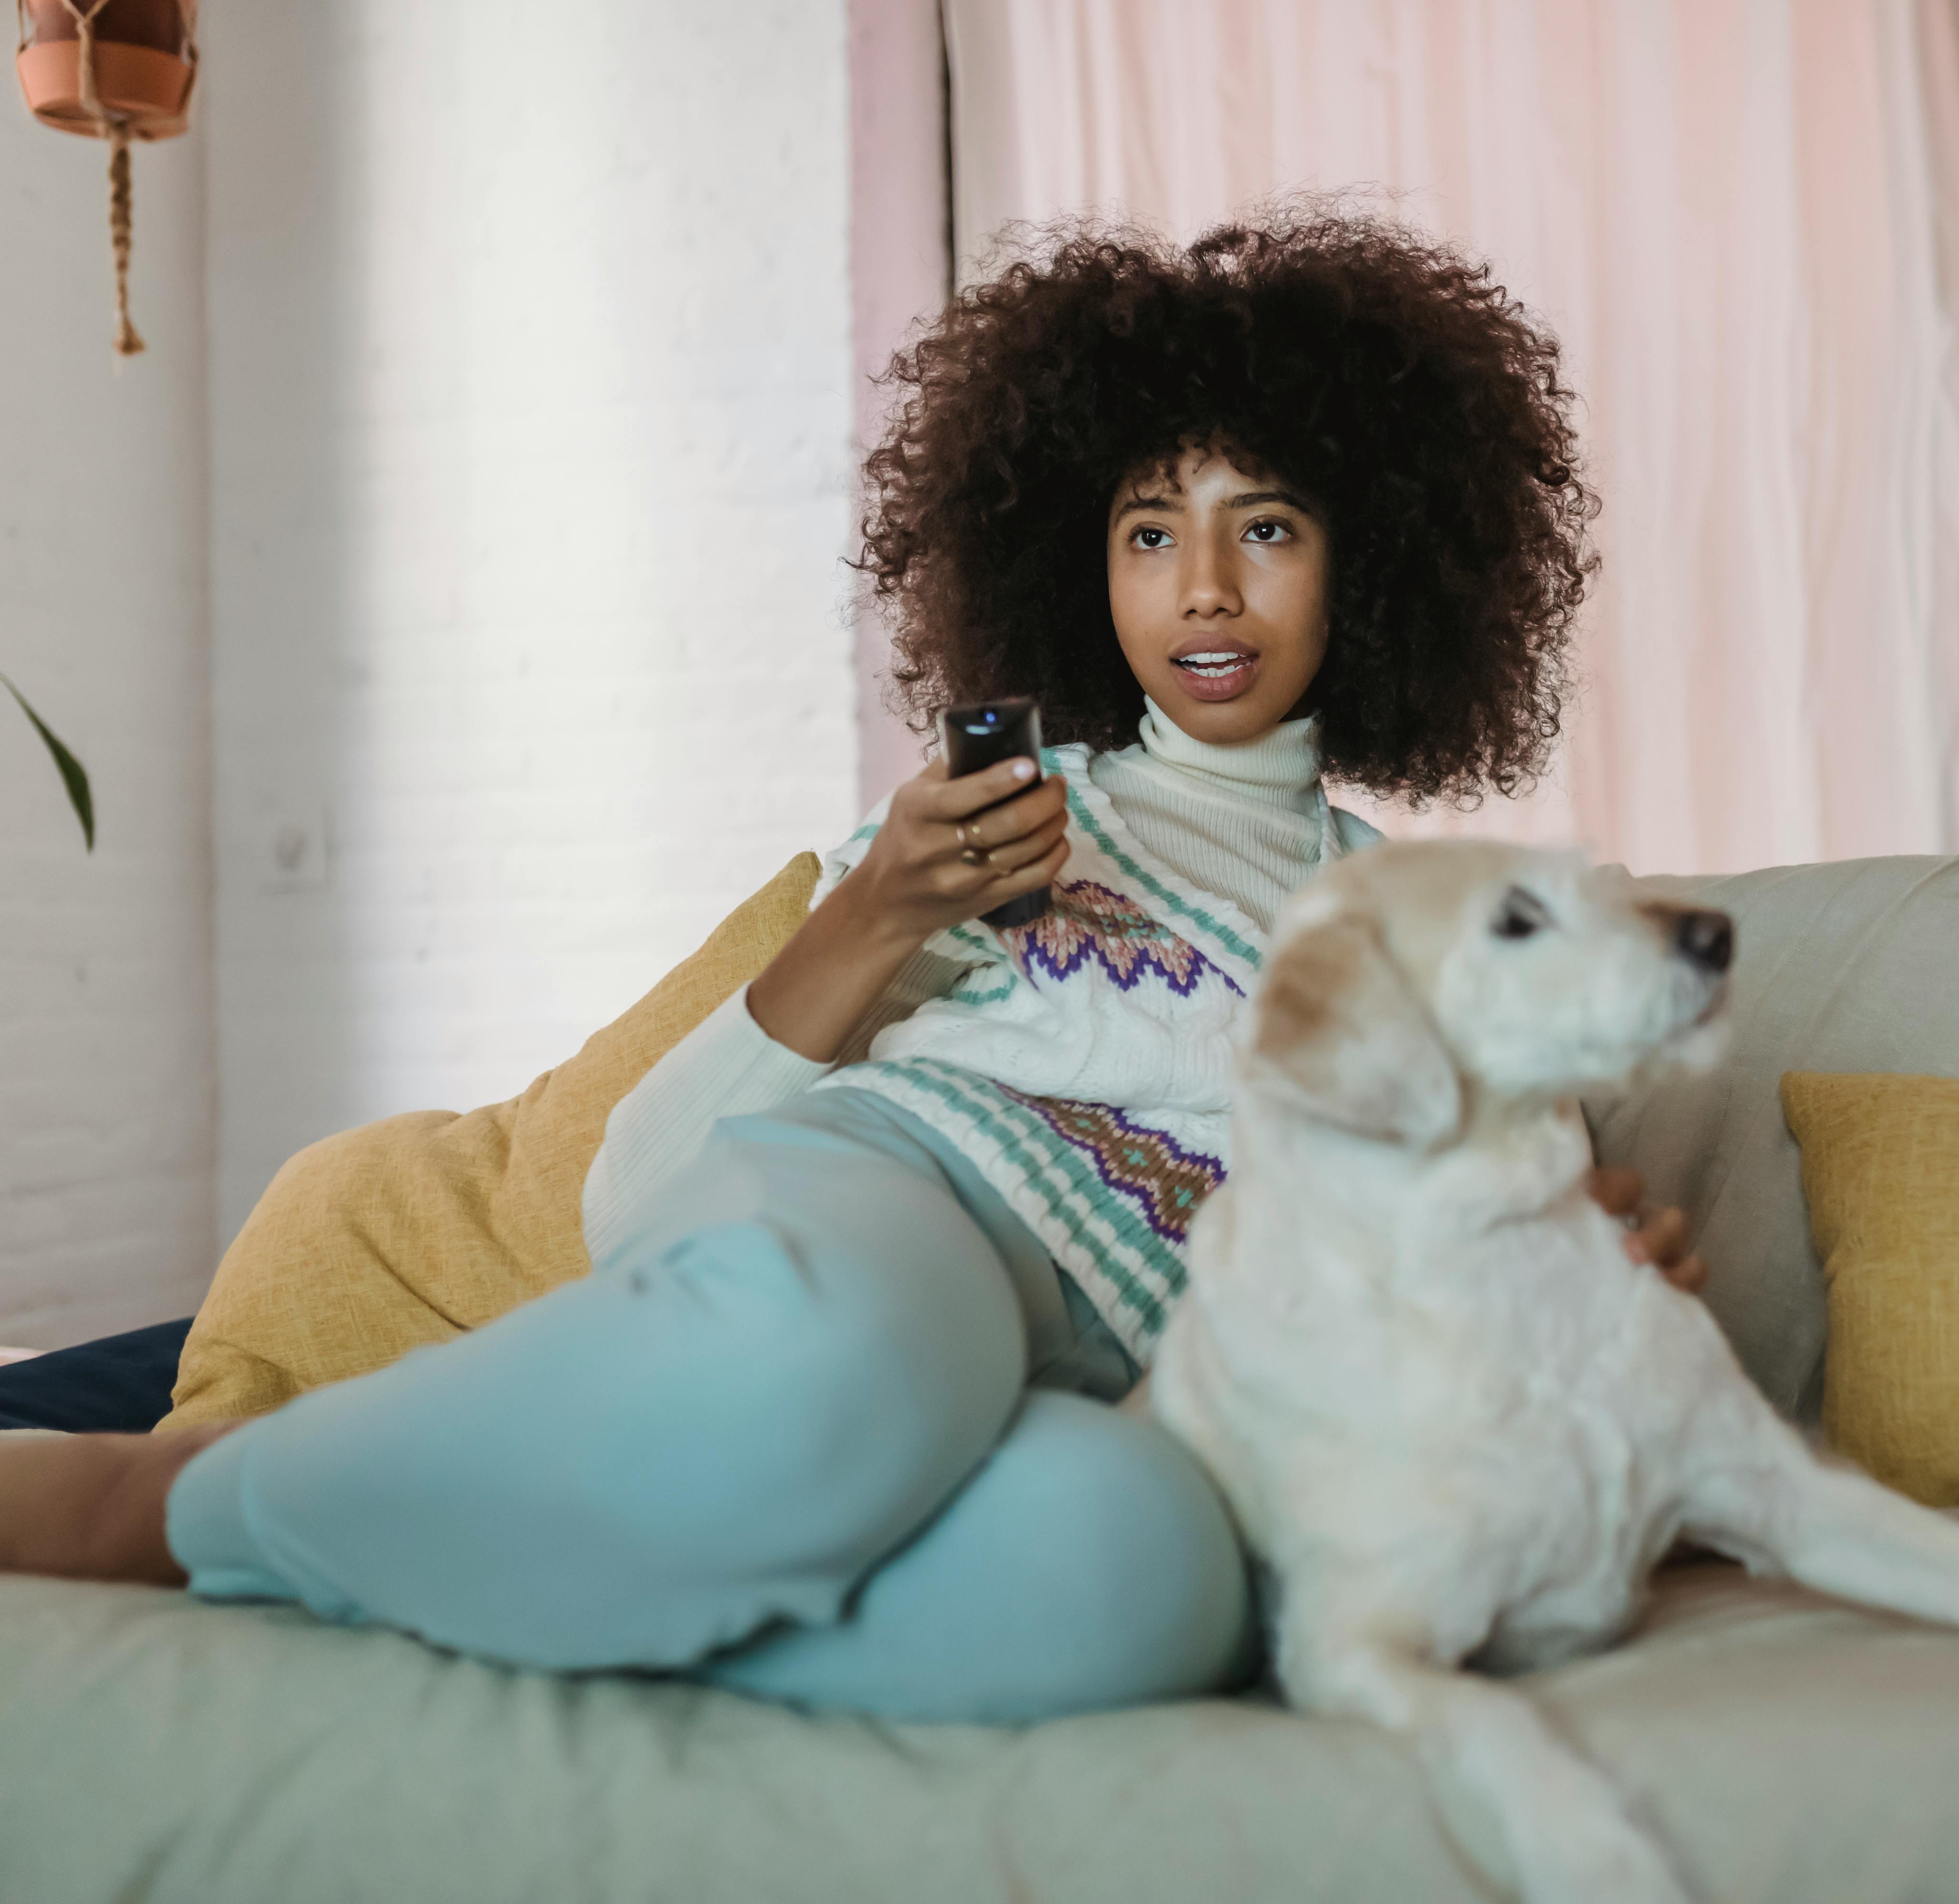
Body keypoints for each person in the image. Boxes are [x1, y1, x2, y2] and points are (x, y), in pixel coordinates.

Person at [0, 209, 1704, 1724]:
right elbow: (641, 1205)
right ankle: (162, 1502)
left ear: (1376, 561)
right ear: (1073, 564)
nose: (1202, 586)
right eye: (1143, 531)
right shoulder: (976, 829)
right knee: (862, 1362)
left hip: (1127, 1389)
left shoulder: (1457, 941)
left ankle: (442, 1569)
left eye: (1266, 529)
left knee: (1143, 1586)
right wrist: (880, 913)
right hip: (908, 1219)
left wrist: (1581, 1271)